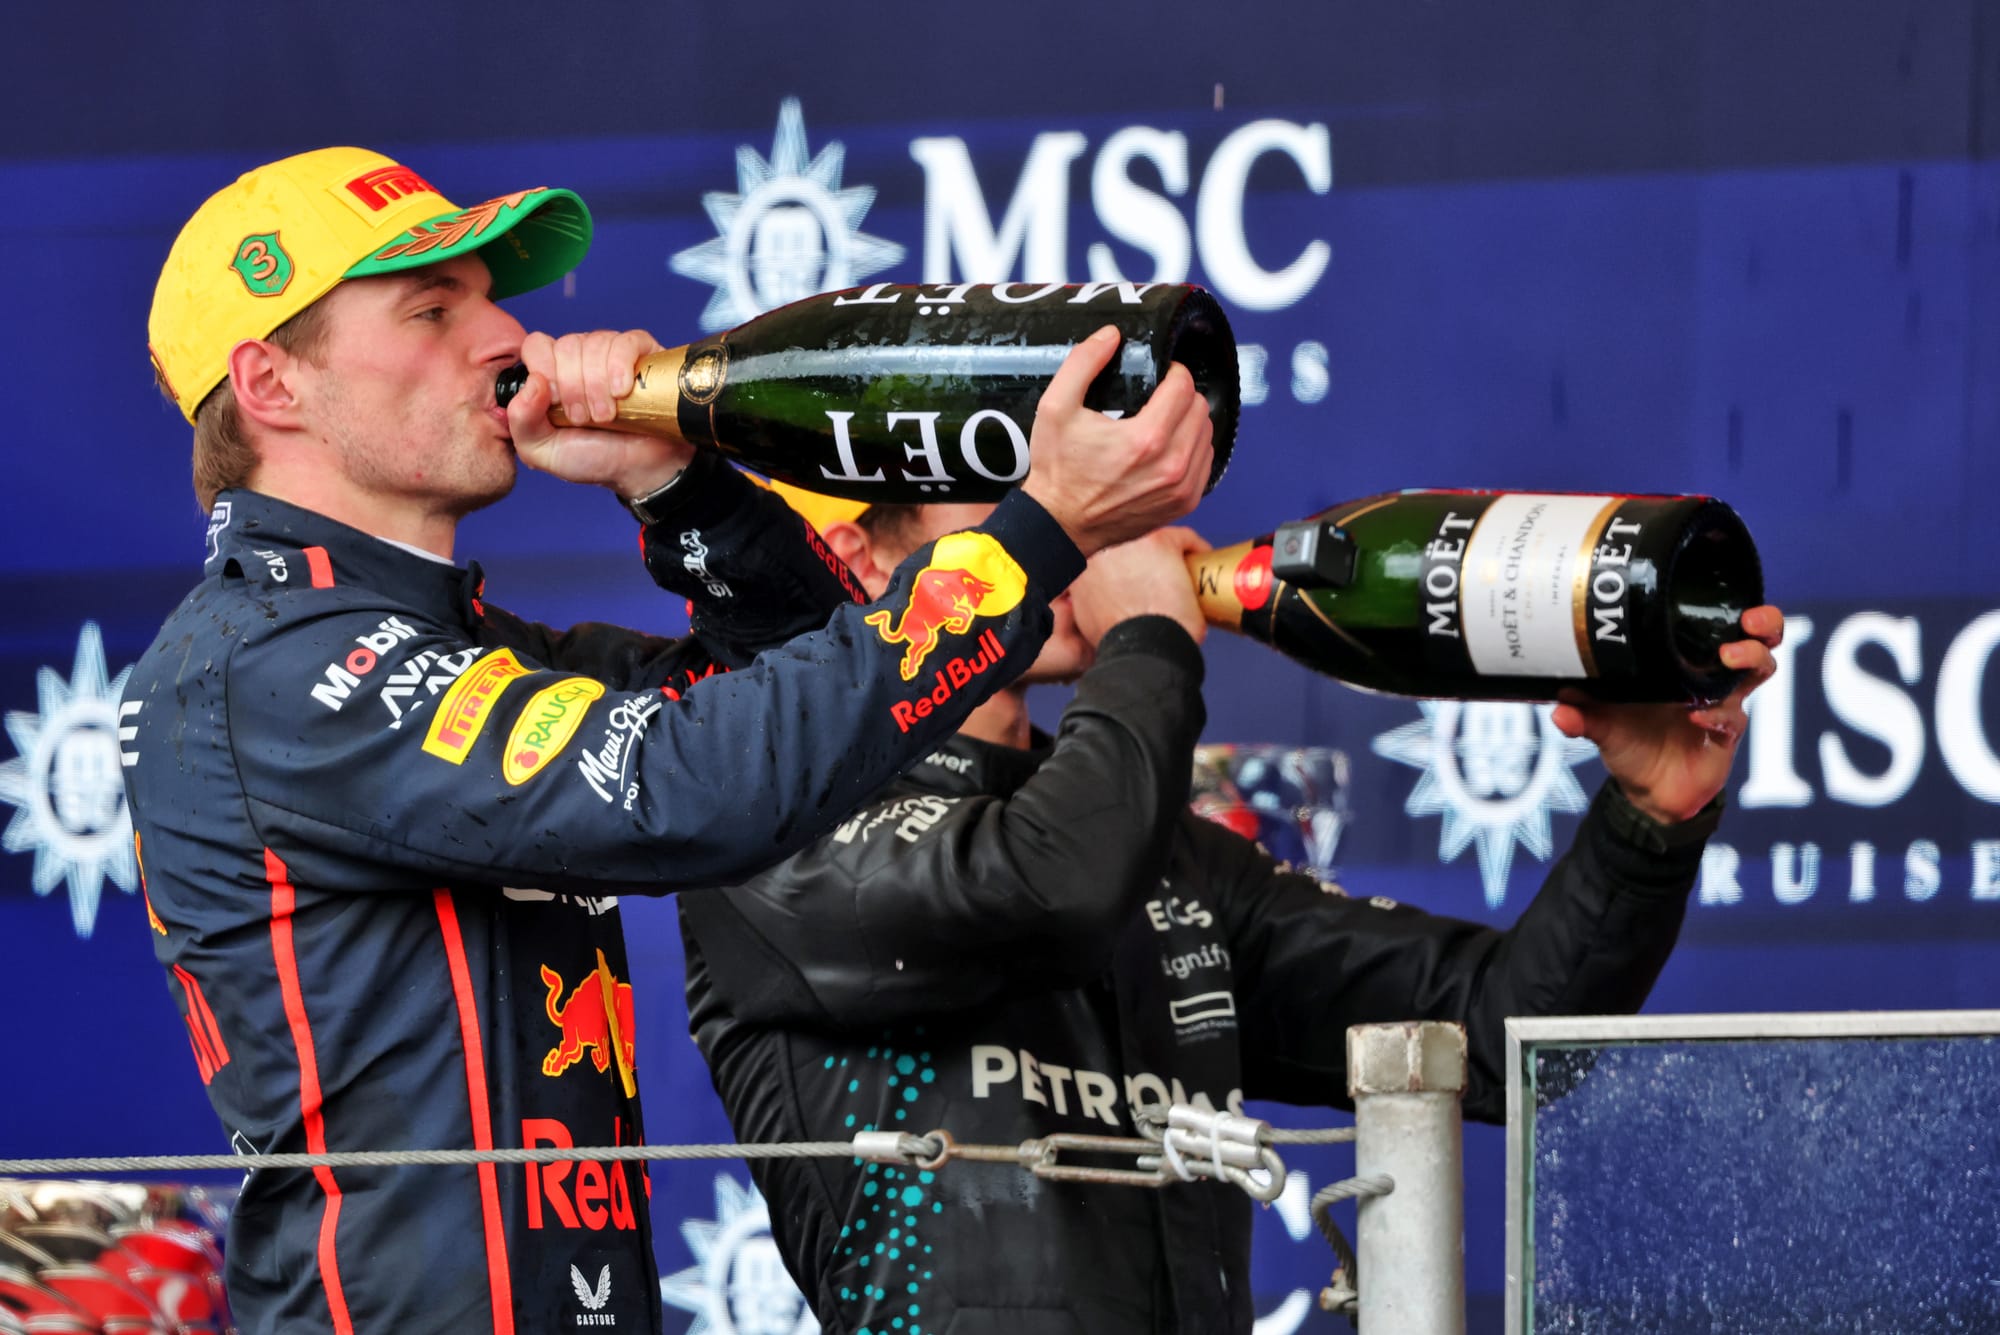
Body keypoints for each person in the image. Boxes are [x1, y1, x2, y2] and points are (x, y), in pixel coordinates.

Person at [121, 146, 1214, 1335]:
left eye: (491, 298)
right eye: (434, 310)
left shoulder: (461, 646)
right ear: (272, 383)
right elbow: (692, 788)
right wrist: (1038, 530)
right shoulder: (265, 665)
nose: (506, 338)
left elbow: (804, 690)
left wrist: (674, 483)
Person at [678, 492, 1787, 1335]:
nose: (1076, 518)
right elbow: (1054, 886)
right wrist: (1146, 641)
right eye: (1018, 488)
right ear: (861, 558)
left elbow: (1497, 1035)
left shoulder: (1164, 855)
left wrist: (1649, 819)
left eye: (1083, 485)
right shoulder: (764, 831)